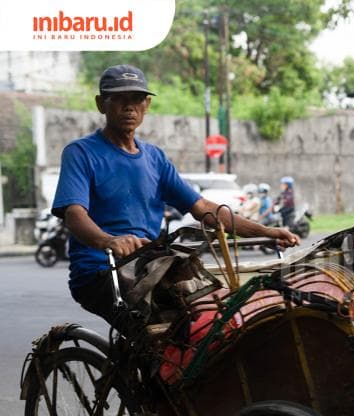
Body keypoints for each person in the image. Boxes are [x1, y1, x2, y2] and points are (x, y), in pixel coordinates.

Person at [51, 64, 299, 327]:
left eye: (136, 99)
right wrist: (108, 240)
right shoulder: (81, 153)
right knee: (163, 336)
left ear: (146, 105)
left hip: (149, 267)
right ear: (102, 104)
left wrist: (266, 232)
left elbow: (202, 206)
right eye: (119, 99)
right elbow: (74, 214)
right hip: (101, 270)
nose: (129, 107)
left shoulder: (155, 158)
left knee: (213, 316)